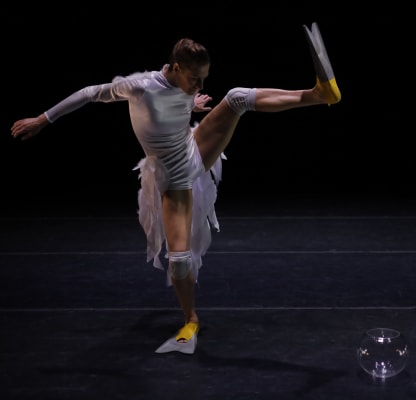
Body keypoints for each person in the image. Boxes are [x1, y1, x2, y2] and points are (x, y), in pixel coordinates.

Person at [10, 22, 340, 354]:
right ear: (177, 67)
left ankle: (317, 94)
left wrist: (192, 105)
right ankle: (191, 318)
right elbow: (88, 93)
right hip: (172, 177)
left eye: (204, 79)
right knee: (179, 260)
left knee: (237, 97)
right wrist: (42, 119)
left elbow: (180, 104)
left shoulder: (185, 87)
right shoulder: (139, 87)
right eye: (195, 79)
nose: (199, 85)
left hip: (194, 149)